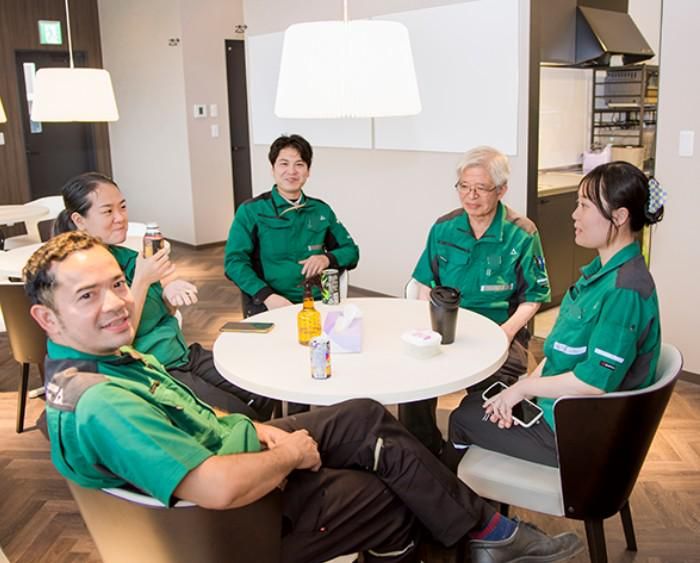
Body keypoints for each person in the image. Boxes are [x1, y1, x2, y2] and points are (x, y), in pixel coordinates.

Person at [28, 231, 582, 563]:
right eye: (87, 296)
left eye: (117, 284)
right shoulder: (102, 403)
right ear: (46, 318)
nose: (117, 303)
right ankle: (485, 534)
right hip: (237, 524)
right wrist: (289, 453)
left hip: (237, 451)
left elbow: (192, 416)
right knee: (391, 490)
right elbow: (217, 488)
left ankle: (485, 532)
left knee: (363, 417)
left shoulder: (107, 359)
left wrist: (259, 430)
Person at [445, 161, 665, 468]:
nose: (575, 215)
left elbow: (593, 383)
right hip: (558, 409)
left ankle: (455, 497)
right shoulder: (601, 275)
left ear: (619, 216)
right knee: (476, 404)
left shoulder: (624, 291)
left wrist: (523, 388)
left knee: (463, 418)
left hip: (572, 431)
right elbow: (560, 352)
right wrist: (522, 393)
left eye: (584, 206)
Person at [53, 172, 275, 420]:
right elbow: (117, 343)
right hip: (152, 371)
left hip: (182, 355)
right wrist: (143, 279)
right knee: (242, 415)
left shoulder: (128, 257)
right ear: (79, 220)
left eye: (123, 207)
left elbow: (164, 312)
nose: (120, 218)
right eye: (108, 211)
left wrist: (171, 294)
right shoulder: (82, 278)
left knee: (263, 388)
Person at [401, 146, 551, 454]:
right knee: (412, 381)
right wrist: (429, 328)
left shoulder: (522, 233)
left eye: (481, 188)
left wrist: (506, 332)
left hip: (500, 331)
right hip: (446, 327)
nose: (471, 196)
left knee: (489, 403)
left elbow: (534, 297)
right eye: (464, 187)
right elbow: (425, 283)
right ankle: (423, 451)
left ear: (501, 190)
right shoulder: (444, 227)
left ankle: (472, 452)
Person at [225, 134, 359, 317]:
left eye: (299, 164)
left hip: (319, 303)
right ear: (273, 169)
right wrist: (267, 296)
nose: (292, 171)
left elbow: (351, 251)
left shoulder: (321, 210)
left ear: (308, 171)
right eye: (284, 164)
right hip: (270, 305)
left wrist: (326, 259)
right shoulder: (251, 211)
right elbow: (234, 263)